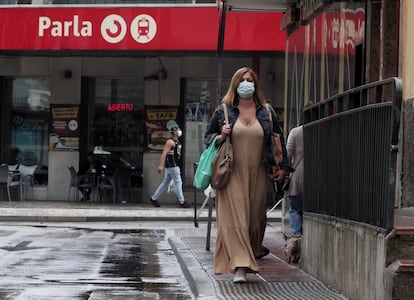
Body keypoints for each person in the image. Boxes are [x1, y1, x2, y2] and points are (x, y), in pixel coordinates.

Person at [205, 67, 289, 283]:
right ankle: (241, 267)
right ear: (235, 84)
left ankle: (246, 258)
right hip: (231, 173)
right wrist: (220, 136)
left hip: (258, 174)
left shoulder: (266, 111)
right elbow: (208, 139)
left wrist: (283, 167)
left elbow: (278, 140)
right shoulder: (223, 111)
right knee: (236, 220)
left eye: (249, 80)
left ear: (255, 84)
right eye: (242, 80)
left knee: (253, 220)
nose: (245, 84)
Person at [149, 121, 191, 208]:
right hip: (173, 165)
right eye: (178, 129)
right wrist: (161, 165)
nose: (179, 130)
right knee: (178, 182)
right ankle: (182, 201)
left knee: (165, 183)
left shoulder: (176, 141)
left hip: (173, 165)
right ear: (174, 132)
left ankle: (154, 198)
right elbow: (164, 153)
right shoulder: (170, 142)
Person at [285, 125, 304, 236]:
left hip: (298, 179)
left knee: (295, 209)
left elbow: (287, 156)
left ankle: (297, 238)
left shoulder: (296, 132)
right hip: (320, 181)